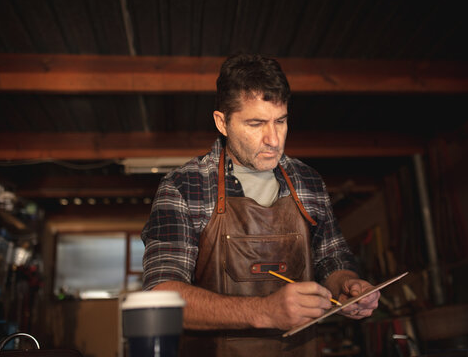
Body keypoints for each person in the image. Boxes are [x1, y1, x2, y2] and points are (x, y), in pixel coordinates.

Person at [141, 53, 380, 357]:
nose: (273, 139)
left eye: (280, 121)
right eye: (256, 123)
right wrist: (264, 311)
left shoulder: (307, 181)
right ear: (222, 122)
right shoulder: (185, 186)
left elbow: (331, 260)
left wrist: (348, 287)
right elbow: (161, 297)